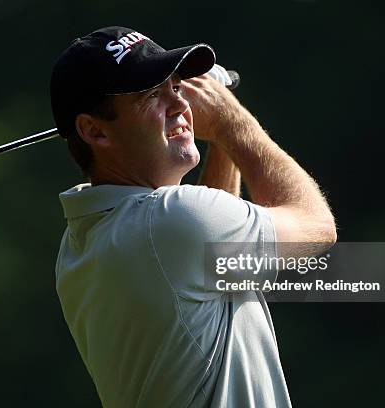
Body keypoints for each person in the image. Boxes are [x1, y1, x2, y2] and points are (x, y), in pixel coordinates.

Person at [50, 26, 336, 408]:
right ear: (94, 130)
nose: (179, 104)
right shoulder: (167, 221)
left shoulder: (82, 239)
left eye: (176, 87)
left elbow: (206, 256)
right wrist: (232, 121)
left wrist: (219, 142)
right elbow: (315, 227)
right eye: (152, 95)